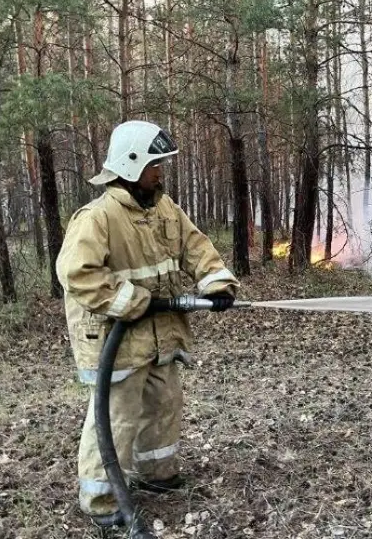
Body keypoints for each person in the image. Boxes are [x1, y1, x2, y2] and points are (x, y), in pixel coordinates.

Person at [56, 120, 239, 527]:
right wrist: (137, 302)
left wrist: (218, 284)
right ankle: (102, 500)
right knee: (116, 416)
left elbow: (197, 247)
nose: (160, 171)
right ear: (131, 163)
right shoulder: (98, 218)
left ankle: (156, 475)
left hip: (160, 335)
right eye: (155, 163)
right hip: (115, 341)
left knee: (163, 403)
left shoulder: (163, 208)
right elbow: (77, 274)